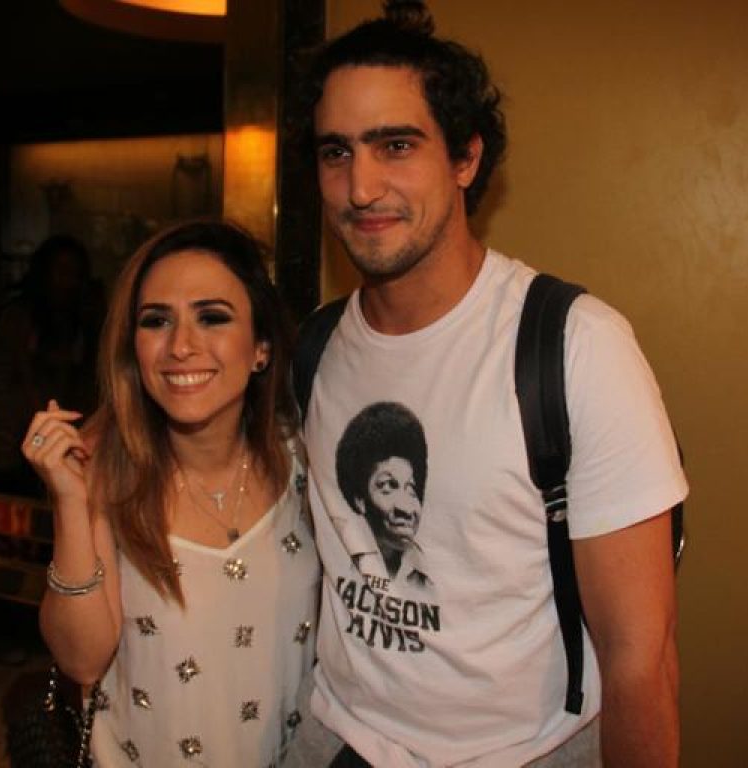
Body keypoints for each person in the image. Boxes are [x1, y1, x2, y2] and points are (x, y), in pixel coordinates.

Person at [288, 2, 688, 766]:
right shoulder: (316, 345)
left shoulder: (574, 347)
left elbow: (642, 661)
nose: (360, 186)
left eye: (395, 145)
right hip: (338, 739)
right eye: (336, 152)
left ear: (465, 158)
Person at [22, 220, 319, 766]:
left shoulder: (306, 456)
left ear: (261, 348)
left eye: (212, 317)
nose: (181, 346)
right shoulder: (106, 473)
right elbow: (81, 661)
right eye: (156, 321)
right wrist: (69, 499)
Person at [0, 234, 104, 496]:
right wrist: (5, 455)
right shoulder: (16, 321)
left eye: (75, 274)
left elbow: (90, 390)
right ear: (44, 274)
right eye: (62, 272)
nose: (68, 282)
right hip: (14, 452)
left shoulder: (84, 326)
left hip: (70, 450)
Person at [335, 401, 430, 587]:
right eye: (388, 487)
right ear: (359, 500)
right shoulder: (342, 556)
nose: (406, 509)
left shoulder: (428, 578)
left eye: (411, 489)